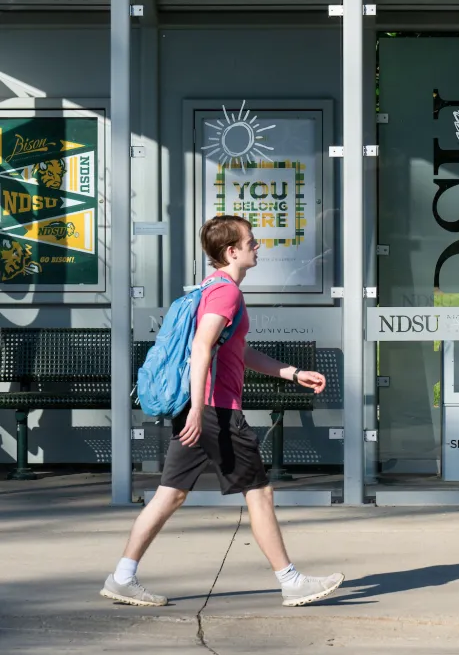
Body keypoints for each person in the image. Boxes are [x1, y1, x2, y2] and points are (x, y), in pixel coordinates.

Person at [100, 215, 345, 608]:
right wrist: (198, 409)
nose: (256, 246)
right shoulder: (226, 292)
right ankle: (292, 581)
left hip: (203, 410)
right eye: (251, 241)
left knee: (169, 495)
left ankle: (122, 577)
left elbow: (238, 351)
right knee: (259, 492)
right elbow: (202, 347)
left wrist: (292, 373)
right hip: (216, 411)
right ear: (232, 251)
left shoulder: (212, 288)